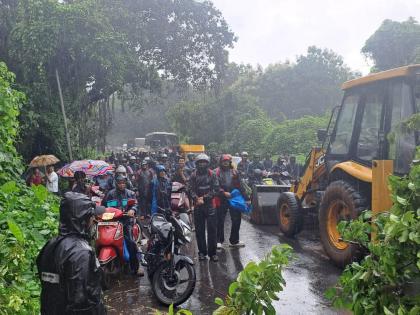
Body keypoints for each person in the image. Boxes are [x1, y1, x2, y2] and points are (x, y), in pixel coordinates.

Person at [36, 192, 107, 314]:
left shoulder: (50, 245)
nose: (94, 221)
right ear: (82, 219)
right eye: (91, 216)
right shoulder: (81, 253)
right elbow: (82, 302)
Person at [102, 175, 143, 276]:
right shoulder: (110, 194)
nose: (121, 185)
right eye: (120, 183)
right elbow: (103, 205)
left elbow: (135, 204)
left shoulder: (130, 193)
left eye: (123, 183)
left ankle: (136, 267)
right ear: (116, 183)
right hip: (113, 222)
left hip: (126, 222)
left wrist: (132, 210)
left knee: (131, 243)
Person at [188, 154, 219, 262]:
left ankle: (213, 253)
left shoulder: (212, 174)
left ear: (207, 163)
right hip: (198, 206)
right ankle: (202, 252)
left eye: (204, 162)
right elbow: (190, 189)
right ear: (197, 164)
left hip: (210, 205)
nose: (202, 164)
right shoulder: (193, 175)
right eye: (200, 162)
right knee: (200, 230)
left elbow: (216, 189)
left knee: (212, 230)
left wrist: (204, 198)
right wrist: (196, 198)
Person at [215, 154, 248, 249]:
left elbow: (240, 185)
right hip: (221, 198)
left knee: (237, 219)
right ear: (221, 162)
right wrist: (223, 192)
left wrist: (246, 198)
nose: (225, 163)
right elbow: (215, 186)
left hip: (234, 198)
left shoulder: (234, 171)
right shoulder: (216, 172)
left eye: (227, 161)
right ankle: (218, 240)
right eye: (223, 161)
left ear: (230, 162)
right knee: (220, 219)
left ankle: (234, 241)